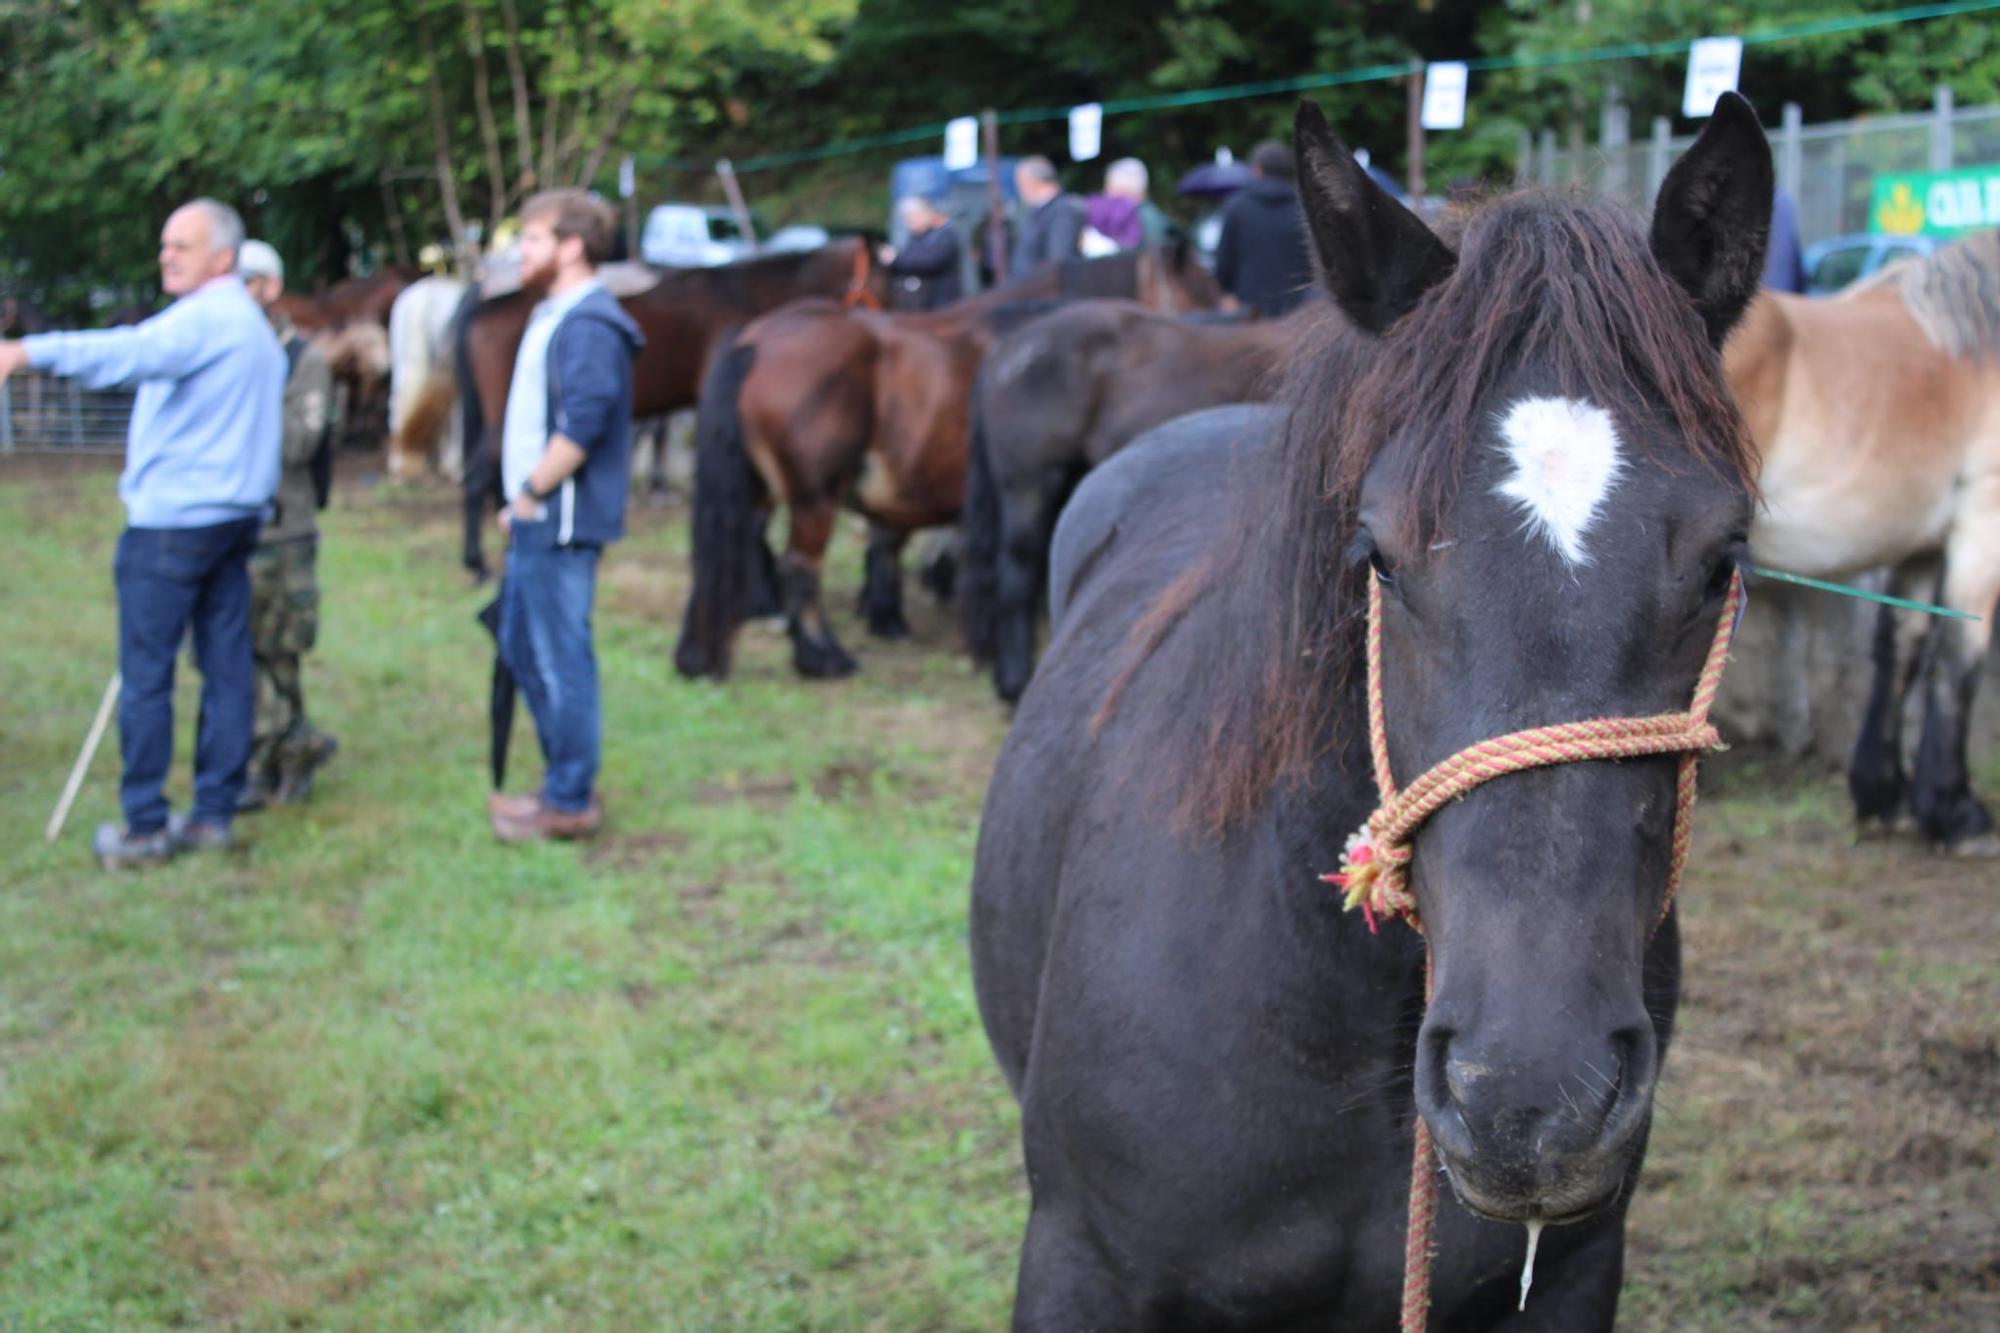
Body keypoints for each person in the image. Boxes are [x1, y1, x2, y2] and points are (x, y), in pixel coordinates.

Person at [0, 199, 284, 868]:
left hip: (174, 527)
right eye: (165, 244)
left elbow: (131, 354)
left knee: (147, 674)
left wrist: (25, 350)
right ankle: (213, 812)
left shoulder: (205, 318)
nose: (166, 255)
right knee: (224, 665)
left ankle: (145, 827)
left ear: (222, 257)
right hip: (231, 520)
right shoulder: (250, 325)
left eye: (181, 245)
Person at [487, 189, 644, 843]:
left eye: (532, 239)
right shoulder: (556, 313)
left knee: (560, 657)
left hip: (558, 518)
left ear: (571, 247)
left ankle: (570, 800)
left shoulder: (587, 324)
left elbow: (583, 423)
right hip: (535, 515)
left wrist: (529, 493)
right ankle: (562, 784)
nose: (520, 252)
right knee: (523, 643)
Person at [235, 240, 339, 810]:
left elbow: (300, 442)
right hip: (222, 529)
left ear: (270, 288)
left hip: (281, 532)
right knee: (227, 652)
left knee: (277, 651)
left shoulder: (303, 360)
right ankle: (257, 756)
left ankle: (287, 755)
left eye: (245, 280)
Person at [1213, 139, 1315, 318]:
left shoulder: (1236, 205)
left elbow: (1224, 259)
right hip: (1296, 311)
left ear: (1257, 168)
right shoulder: (1305, 207)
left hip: (1249, 311)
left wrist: (1226, 291)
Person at [1009, 156, 1087, 280]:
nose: (1019, 189)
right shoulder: (1038, 211)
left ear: (1032, 181)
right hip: (1029, 291)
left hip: (1044, 293)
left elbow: (1059, 261)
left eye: (1020, 183)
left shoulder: (1063, 211)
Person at [884, 196, 963, 310]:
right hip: (919, 303)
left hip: (941, 304)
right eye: (906, 219)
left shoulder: (945, 236)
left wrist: (895, 259)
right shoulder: (916, 237)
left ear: (926, 214)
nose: (909, 222)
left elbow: (929, 262)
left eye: (911, 217)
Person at [1084, 158, 1171, 253]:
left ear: (1123, 190)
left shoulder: (1141, 217)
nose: (1105, 194)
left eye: (1108, 187)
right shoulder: (1153, 215)